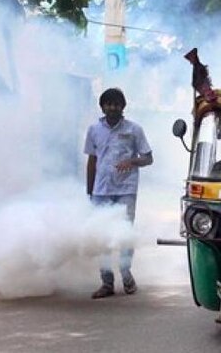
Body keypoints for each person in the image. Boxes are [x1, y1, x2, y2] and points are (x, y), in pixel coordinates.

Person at [84, 88, 153, 299]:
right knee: (101, 236)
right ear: (102, 106)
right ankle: (106, 283)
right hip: (101, 190)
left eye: (116, 104)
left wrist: (132, 161)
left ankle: (126, 274)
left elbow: (148, 158)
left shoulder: (134, 130)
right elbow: (92, 160)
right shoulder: (94, 129)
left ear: (123, 107)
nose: (112, 108)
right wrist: (90, 190)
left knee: (124, 235)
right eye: (108, 104)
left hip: (126, 190)